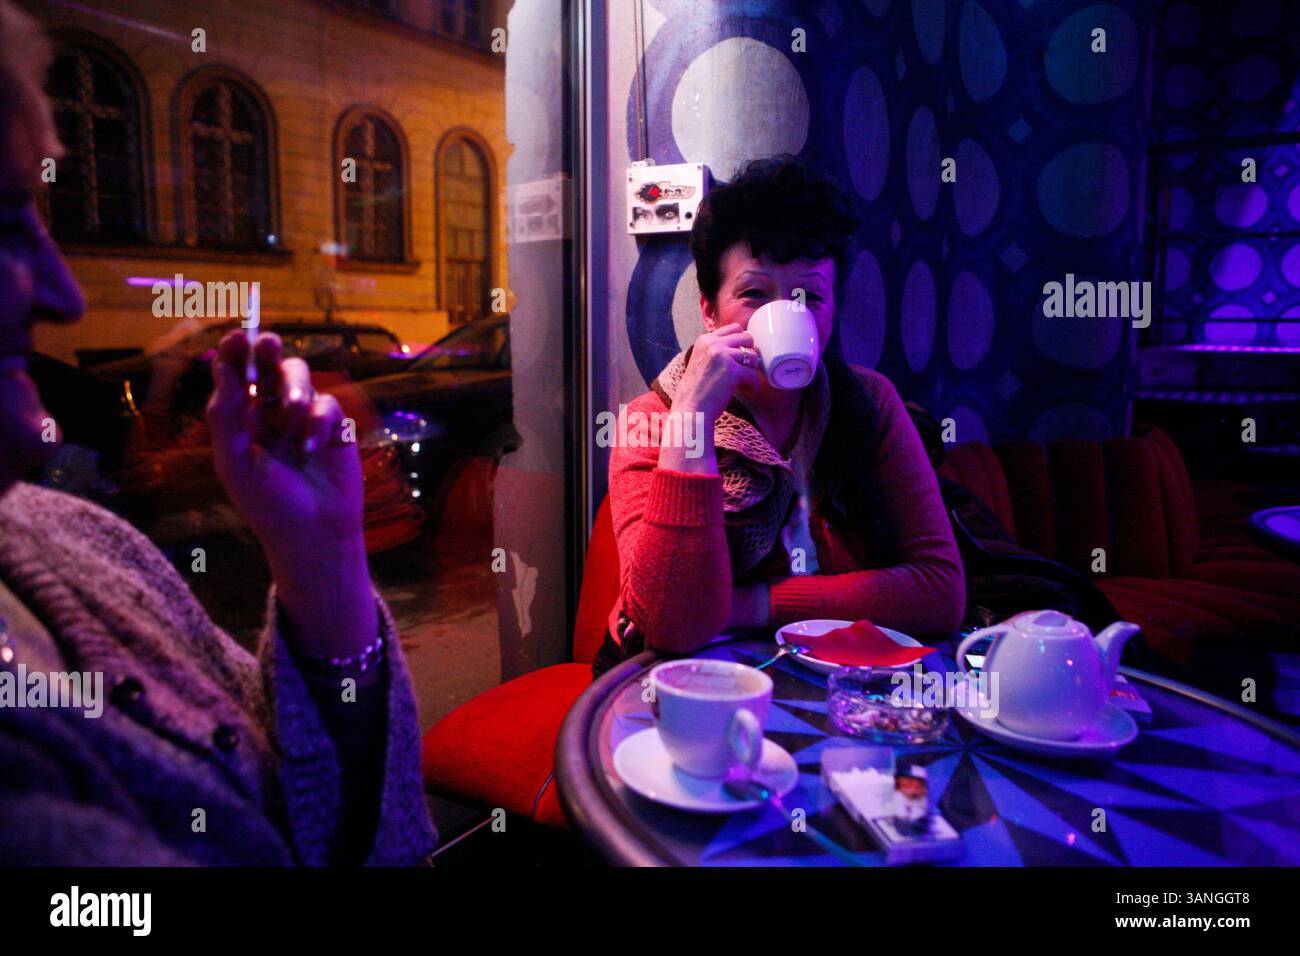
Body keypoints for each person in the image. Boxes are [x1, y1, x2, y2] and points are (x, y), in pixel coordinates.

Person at [0, 1, 435, 864]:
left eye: (40, 212)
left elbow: (318, 804)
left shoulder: (74, 534)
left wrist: (322, 563)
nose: (64, 295)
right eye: (5, 218)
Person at [597, 156, 965, 673]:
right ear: (709, 310)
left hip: (839, 675)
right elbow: (673, 625)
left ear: (832, 309)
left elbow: (939, 591)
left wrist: (745, 604)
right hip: (686, 682)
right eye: (753, 294)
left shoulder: (869, 403)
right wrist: (692, 423)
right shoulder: (652, 420)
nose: (787, 314)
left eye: (809, 296)